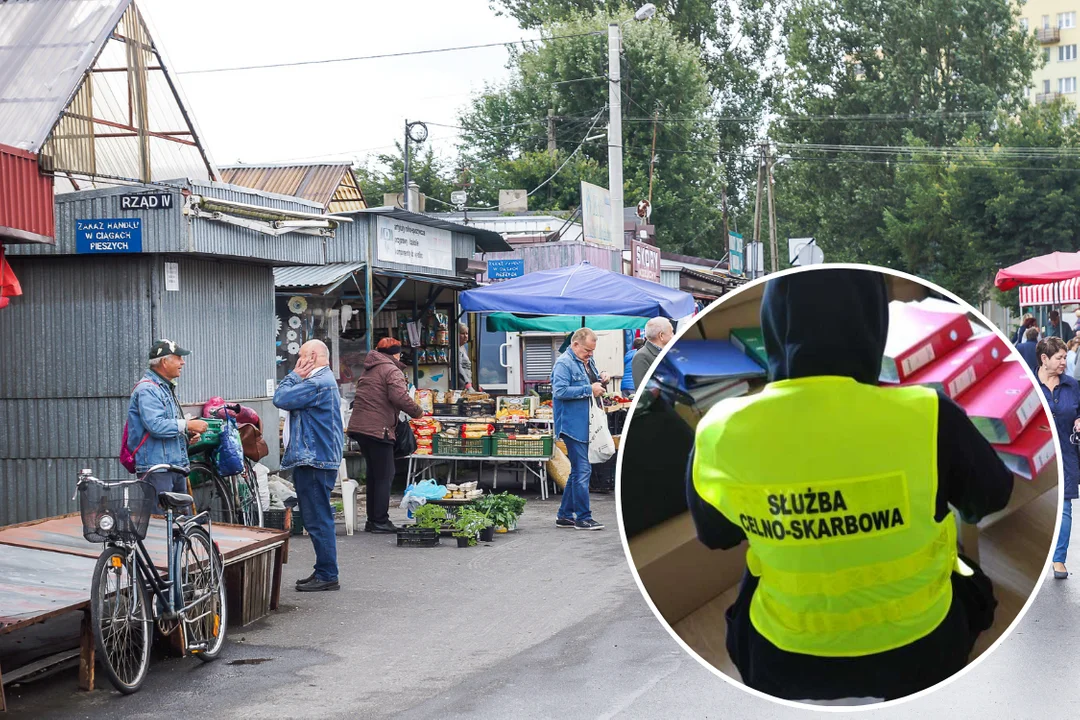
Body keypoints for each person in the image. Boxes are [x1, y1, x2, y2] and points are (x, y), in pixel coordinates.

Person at [689, 268, 1013, 702]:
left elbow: (717, 536)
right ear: (873, 325)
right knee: (974, 584)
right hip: (923, 649)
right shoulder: (929, 413)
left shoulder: (720, 429)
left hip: (783, 657)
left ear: (772, 325)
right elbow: (990, 498)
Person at [274, 340, 344, 592]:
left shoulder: (317, 383)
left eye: (301, 356)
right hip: (317, 458)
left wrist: (293, 376)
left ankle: (327, 573)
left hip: (315, 459)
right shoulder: (323, 382)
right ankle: (324, 570)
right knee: (317, 516)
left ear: (312, 356)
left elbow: (280, 398)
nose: (297, 362)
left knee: (317, 518)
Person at [347, 337, 424, 533]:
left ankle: (373, 520)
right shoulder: (391, 370)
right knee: (385, 475)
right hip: (377, 428)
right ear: (396, 354)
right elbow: (399, 397)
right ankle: (379, 520)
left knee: (375, 474)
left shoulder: (370, 368)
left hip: (361, 427)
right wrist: (418, 411)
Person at [127, 339, 209, 505]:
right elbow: (156, 425)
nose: (183, 362)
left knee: (179, 522)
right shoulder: (148, 389)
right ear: (164, 362)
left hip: (173, 466)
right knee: (162, 523)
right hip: (157, 469)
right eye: (178, 357)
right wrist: (188, 425)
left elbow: (167, 425)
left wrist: (187, 434)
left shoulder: (164, 387)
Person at [552, 327, 608, 531]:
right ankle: (583, 517)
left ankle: (565, 515)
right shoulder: (564, 363)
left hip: (586, 422)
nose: (590, 354)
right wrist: (588, 389)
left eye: (592, 351)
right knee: (583, 469)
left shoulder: (586, 361)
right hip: (571, 425)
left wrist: (601, 380)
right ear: (575, 344)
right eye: (587, 350)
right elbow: (559, 391)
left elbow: (593, 384)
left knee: (577, 471)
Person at [1034, 336, 1080, 580]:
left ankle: (1058, 560)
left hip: (1066, 454)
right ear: (1044, 359)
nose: (1064, 362)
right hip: (1035, 458)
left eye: (1065, 357)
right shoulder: (1028, 384)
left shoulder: (1073, 386)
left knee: (1064, 508)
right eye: (1059, 358)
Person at [632, 317, 674, 388]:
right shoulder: (642, 356)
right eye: (671, 332)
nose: (673, 336)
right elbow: (643, 391)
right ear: (661, 336)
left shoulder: (667, 353)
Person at [458, 322, 473, 391]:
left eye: (466, 333)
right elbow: (458, 366)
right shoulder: (456, 349)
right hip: (462, 385)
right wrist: (467, 383)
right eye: (462, 333)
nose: (465, 336)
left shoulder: (462, 347)